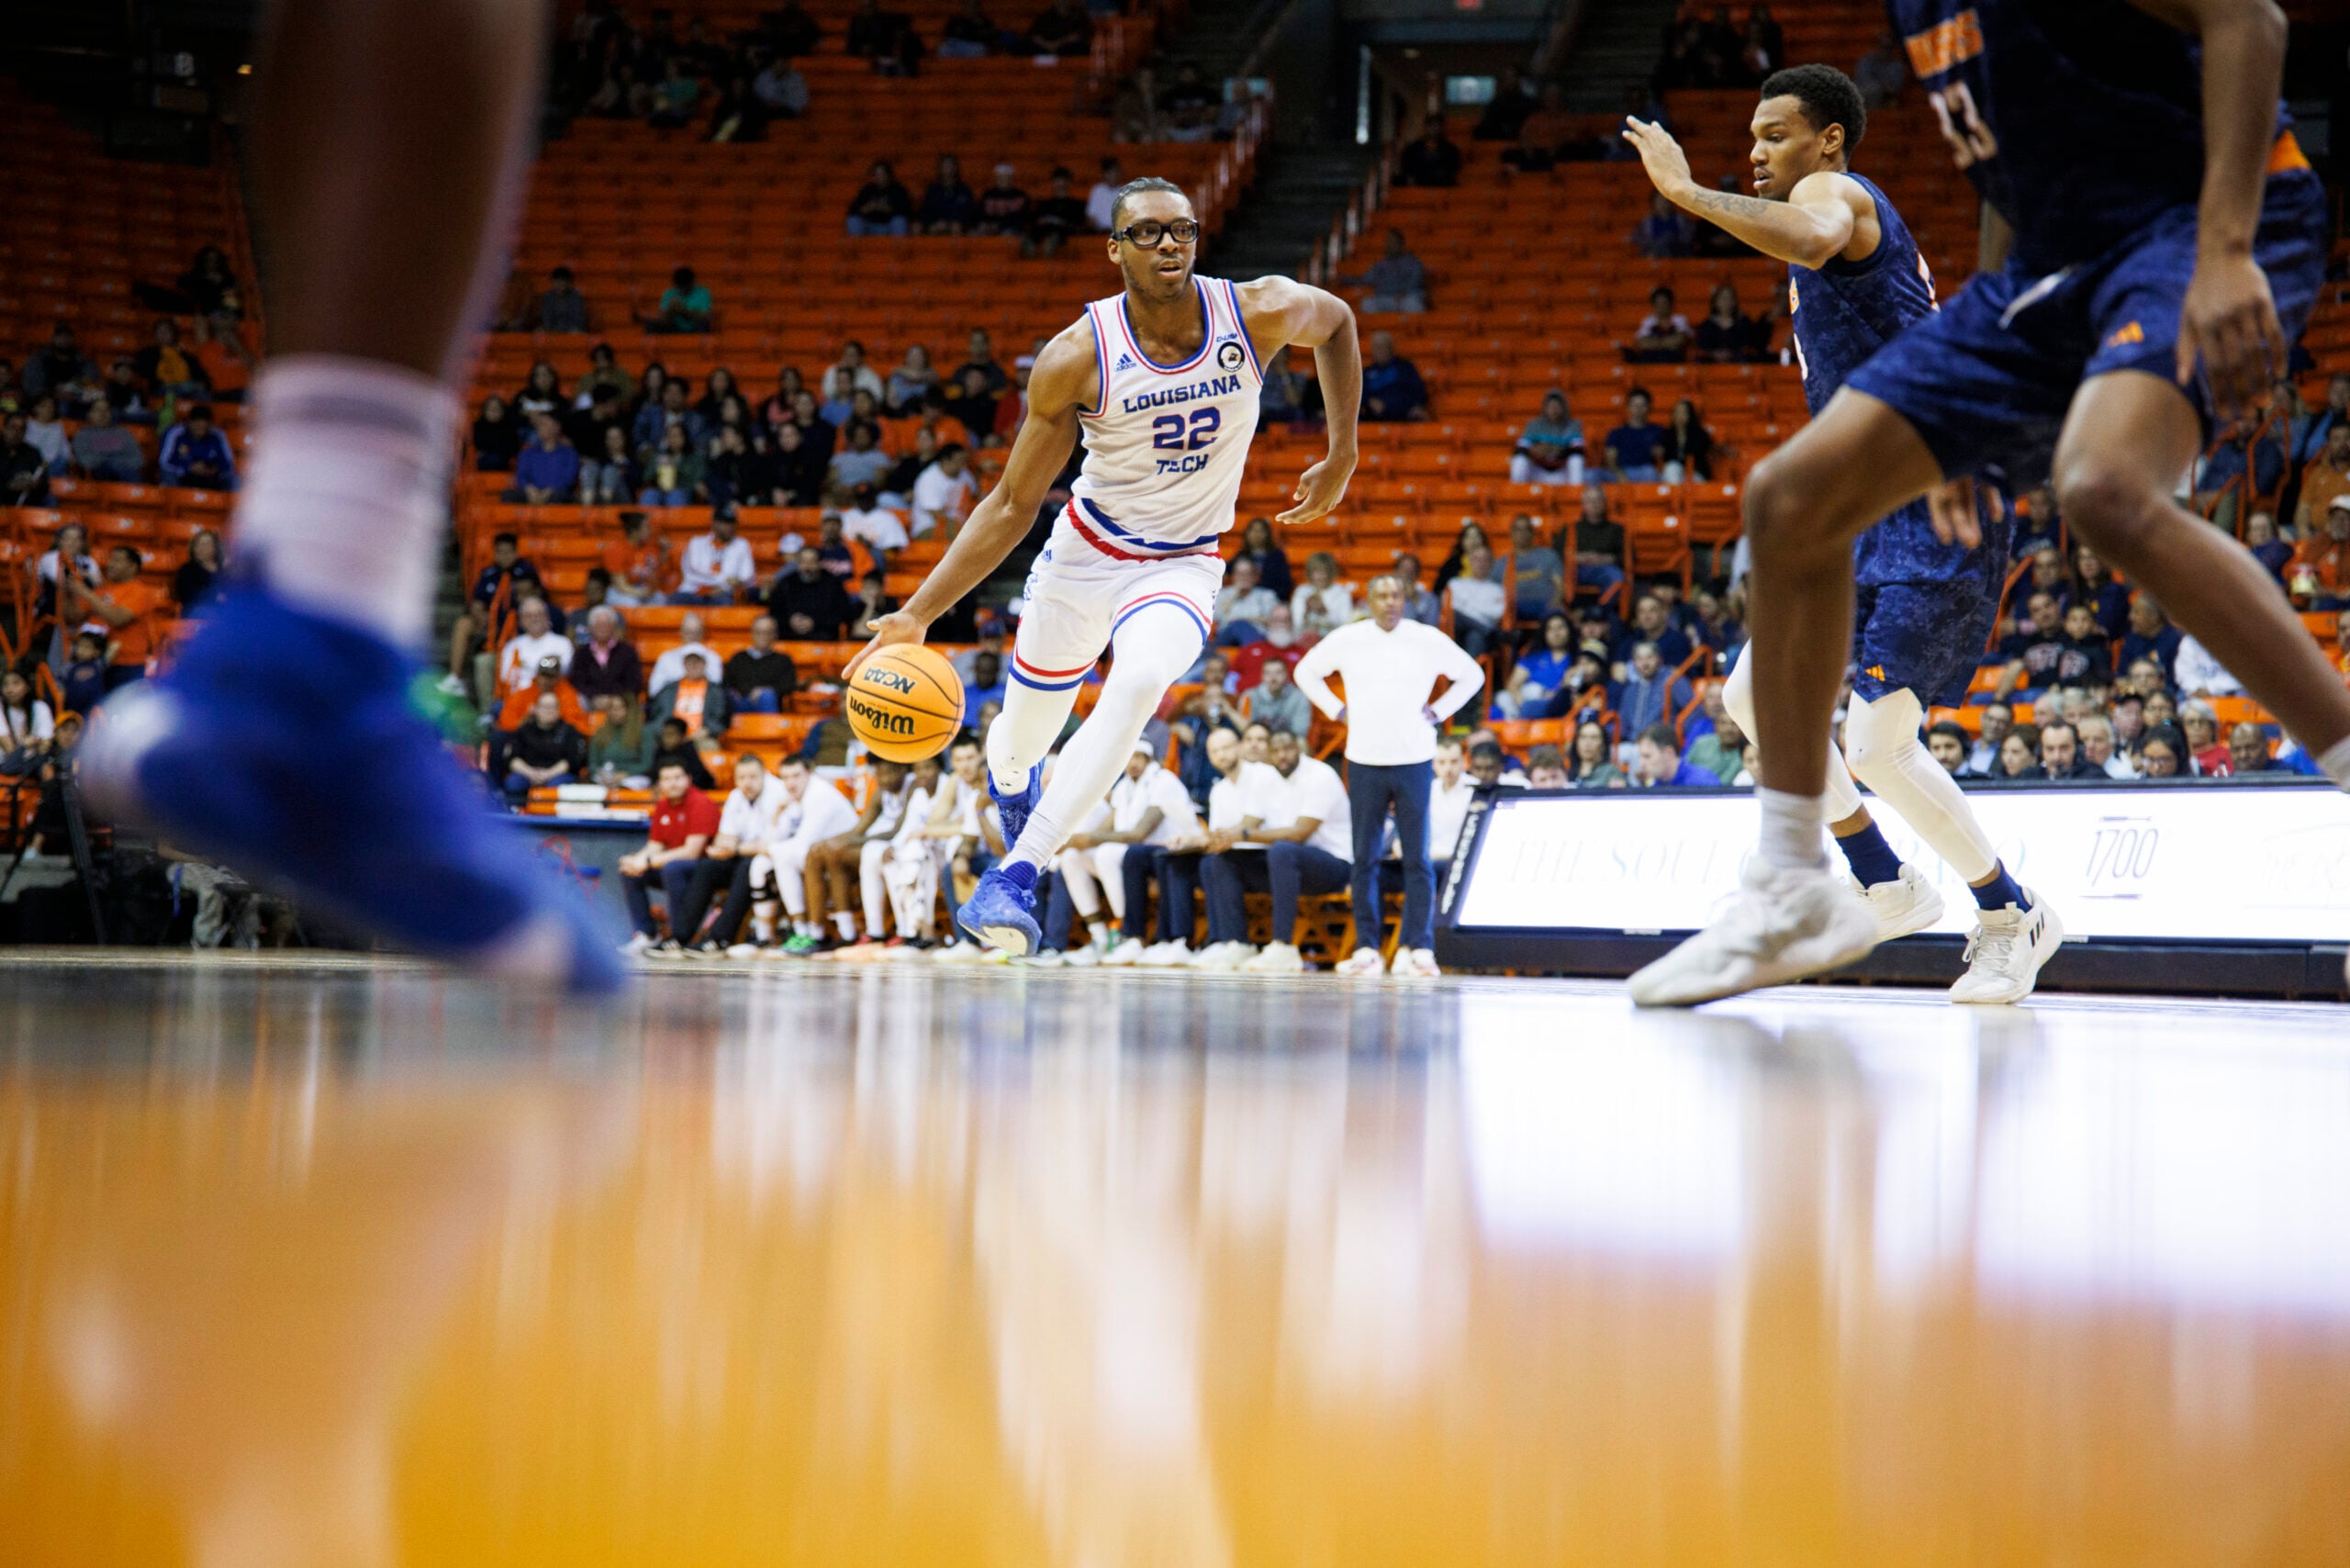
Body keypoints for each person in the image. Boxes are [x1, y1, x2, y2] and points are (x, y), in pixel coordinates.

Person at [1624, 61, 2069, 1008]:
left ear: (1826, 139)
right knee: (1752, 694)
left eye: (1774, 134)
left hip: (1936, 491)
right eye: (1750, 137)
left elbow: (1815, 230)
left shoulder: (1835, 193)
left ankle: (2009, 913)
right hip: (1865, 503)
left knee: (1876, 744)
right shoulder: (1819, 223)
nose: (1756, 151)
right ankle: (1883, 881)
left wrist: (1683, 192)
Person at [850, 175, 1359, 957]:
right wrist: (919, 612)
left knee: (1140, 681)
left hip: (1182, 564)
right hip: (1085, 554)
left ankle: (1015, 876)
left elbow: (1340, 324)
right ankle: (1016, 791)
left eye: (1182, 231)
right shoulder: (1076, 357)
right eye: (1149, 232)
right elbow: (1013, 503)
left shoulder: (1254, 312)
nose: (1169, 244)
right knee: (1018, 744)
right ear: (1114, 248)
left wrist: (1341, 451)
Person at [1292, 572, 1486, 977]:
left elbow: (1473, 675)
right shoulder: (1350, 637)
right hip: (1363, 758)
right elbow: (1305, 672)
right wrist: (1336, 709)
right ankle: (1366, 948)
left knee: (1417, 858)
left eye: (1397, 595)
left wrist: (1439, 711)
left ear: (1405, 599)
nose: (1390, 602)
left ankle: (1418, 948)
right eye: (1381, 595)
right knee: (1364, 858)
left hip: (1415, 758)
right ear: (1368, 600)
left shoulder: (1426, 637)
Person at [617, 760, 721, 954]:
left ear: (688, 779)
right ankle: (646, 934)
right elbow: (654, 845)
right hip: (671, 864)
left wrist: (647, 862)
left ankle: (678, 934)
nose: (672, 784)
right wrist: (637, 860)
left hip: (701, 868)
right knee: (630, 872)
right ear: (660, 784)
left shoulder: (701, 803)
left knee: (673, 868)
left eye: (677, 778)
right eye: (666, 779)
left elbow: (692, 852)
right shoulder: (664, 805)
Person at [764, 758, 865, 954]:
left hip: (846, 860)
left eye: (796, 776)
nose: (791, 783)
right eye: (785, 777)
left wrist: (764, 848)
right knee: (780, 858)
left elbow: (801, 844)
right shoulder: (795, 798)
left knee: (788, 857)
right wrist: (777, 814)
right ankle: (801, 931)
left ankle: (813, 933)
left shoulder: (820, 795)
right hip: (821, 858)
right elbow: (777, 837)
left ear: (810, 773)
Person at [62, 544, 172, 690]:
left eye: (118, 561)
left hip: (126, 664)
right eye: (111, 560)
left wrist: (85, 592)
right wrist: (68, 593)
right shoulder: (102, 590)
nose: (111, 564)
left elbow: (117, 619)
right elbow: (73, 617)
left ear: (133, 567)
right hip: (95, 663)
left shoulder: (140, 591)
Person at [501, 689, 587, 801]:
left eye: (553, 707)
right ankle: (516, 814)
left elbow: (573, 761)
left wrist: (547, 775)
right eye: (545, 707)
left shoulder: (569, 731)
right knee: (513, 783)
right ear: (536, 709)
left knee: (556, 786)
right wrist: (531, 773)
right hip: (527, 772)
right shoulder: (524, 730)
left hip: (557, 774)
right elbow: (512, 758)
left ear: (559, 710)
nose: (549, 711)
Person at [769, 544, 857, 638]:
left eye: (812, 562)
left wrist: (815, 622)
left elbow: (843, 614)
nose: (807, 567)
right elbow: (774, 612)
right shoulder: (786, 583)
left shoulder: (833, 584)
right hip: (790, 635)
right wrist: (790, 620)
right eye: (803, 562)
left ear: (820, 563)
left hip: (823, 637)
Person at [566, 605, 643, 704]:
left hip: (620, 701)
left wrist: (614, 699)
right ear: (590, 628)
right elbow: (578, 682)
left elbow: (633, 682)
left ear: (614, 627)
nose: (603, 629)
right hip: (591, 701)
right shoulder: (582, 653)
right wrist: (595, 697)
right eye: (599, 625)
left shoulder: (628, 652)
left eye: (606, 625)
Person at [676, 511, 756, 603]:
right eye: (725, 524)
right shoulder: (696, 543)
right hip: (693, 591)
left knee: (725, 601)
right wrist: (725, 582)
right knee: (676, 600)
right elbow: (692, 571)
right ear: (714, 524)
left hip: (723, 594)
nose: (730, 528)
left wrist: (724, 587)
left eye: (732, 524)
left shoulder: (741, 544)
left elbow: (747, 576)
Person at [723, 614, 798, 712]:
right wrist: (737, 692)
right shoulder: (739, 657)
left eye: (767, 632)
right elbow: (726, 682)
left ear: (775, 635)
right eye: (758, 632)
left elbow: (789, 685)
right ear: (752, 633)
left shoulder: (783, 660)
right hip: (739, 702)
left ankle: (769, 727)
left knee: (767, 696)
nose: (763, 637)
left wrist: (763, 690)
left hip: (766, 702)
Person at [1510, 392, 1584, 486]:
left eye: (1557, 406)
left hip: (1561, 472)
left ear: (1563, 408)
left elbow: (1579, 450)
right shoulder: (1533, 425)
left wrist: (1560, 451)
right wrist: (1533, 450)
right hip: (1539, 470)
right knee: (1519, 460)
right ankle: (1518, 492)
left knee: (1576, 460)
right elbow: (1519, 448)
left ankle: (1575, 493)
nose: (1554, 410)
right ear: (1545, 408)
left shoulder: (1573, 425)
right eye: (1551, 406)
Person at [1349, 229, 1428, 314]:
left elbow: (1416, 280)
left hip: (1406, 298)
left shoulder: (1412, 262)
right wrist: (1344, 279)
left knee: (1413, 304)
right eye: (1388, 242)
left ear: (1401, 244)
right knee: (1367, 304)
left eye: (1393, 242)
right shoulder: (1380, 265)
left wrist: (1405, 292)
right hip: (1385, 298)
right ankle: (1378, 327)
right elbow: (1365, 279)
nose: (1390, 245)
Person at [159, 404, 238, 489]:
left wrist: (214, 469)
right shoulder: (176, 433)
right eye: (197, 426)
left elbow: (229, 463)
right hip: (182, 476)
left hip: (209, 478)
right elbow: (164, 462)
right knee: (167, 476)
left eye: (204, 427)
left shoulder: (218, 435)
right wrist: (189, 467)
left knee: (234, 480)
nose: (200, 430)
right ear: (190, 422)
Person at [71, 397, 147, 481]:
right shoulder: (82, 435)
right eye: (98, 410)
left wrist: (116, 462)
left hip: (125, 471)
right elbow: (86, 461)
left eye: (106, 410)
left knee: (120, 467)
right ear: (89, 414)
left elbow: (138, 459)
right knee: (113, 465)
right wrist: (110, 461)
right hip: (99, 475)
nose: (103, 414)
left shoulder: (124, 433)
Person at [1360, 330, 1428, 422]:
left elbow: (1418, 390)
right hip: (1375, 416)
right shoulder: (1367, 372)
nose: (1379, 351)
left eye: (1382, 347)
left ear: (1390, 348)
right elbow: (1360, 394)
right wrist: (1369, 401)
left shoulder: (1405, 367)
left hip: (1403, 414)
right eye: (1376, 347)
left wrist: (1418, 405)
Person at [1602, 388, 1667, 480]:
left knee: (1650, 473)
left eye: (1642, 406)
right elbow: (1610, 459)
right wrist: (1619, 474)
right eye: (1635, 405)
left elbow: (1666, 454)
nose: (1638, 409)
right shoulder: (1617, 433)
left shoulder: (1657, 431)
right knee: (1592, 475)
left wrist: (1661, 453)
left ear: (1649, 407)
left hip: (1645, 471)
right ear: (1628, 407)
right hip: (1620, 471)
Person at [173, 528, 224, 615]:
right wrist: (215, 597)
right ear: (193, 548)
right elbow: (186, 595)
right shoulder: (187, 569)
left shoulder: (225, 571)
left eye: (207, 544)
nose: (202, 547)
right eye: (198, 544)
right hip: (196, 613)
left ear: (216, 548)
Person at [1395, 123, 1461, 187]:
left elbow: (1453, 171)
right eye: (1430, 125)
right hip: (1417, 188)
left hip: (1442, 187)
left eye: (1437, 125)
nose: (1433, 129)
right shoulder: (1412, 149)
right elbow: (1407, 171)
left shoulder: (1451, 150)